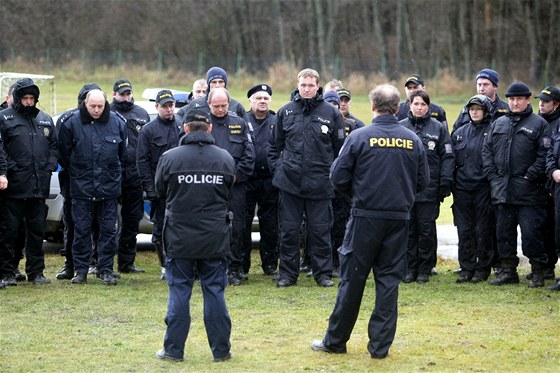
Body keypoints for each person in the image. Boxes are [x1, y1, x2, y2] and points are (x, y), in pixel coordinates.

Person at [311, 84, 429, 359]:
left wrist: (360, 195)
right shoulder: (413, 140)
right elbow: (423, 181)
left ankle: (336, 340)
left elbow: (337, 177)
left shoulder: (360, 137)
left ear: (373, 107)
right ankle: (379, 347)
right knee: (388, 282)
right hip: (398, 219)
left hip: (365, 217)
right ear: (399, 106)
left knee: (352, 280)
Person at [154, 111, 235, 363]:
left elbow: (160, 190)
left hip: (180, 236)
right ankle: (221, 351)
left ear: (185, 129)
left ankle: (173, 350)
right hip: (215, 236)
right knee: (214, 292)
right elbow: (228, 189)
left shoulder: (169, 158)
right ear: (209, 129)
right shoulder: (225, 158)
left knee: (179, 291)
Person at [268, 68, 345, 288]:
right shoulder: (286, 112)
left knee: (320, 231)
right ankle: (287, 275)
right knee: (289, 231)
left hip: (320, 184)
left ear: (318, 86)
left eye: (311, 85)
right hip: (290, 183)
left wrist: (331, 175)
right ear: (297, 86)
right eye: (303, 85)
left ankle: (323, 274)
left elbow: (341, 150)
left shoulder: (331, 113)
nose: (307, 89)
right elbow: (274, 147)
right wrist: (279, 169)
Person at [482, 82, 551, 288]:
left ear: (527, 100)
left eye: (519, 99)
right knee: (504, 234)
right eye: (511, 99)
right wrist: (492, 175)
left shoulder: (539, 124)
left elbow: (544, 154)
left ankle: (538, 271)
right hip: (502, 190)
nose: (514, 103)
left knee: (532, 234)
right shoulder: (499, 123)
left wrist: (531, 174)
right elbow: (487, 151)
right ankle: (508, 271)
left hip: (529, 192)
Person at [57, 89, 127, 285]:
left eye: (100, 106)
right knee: (81, 230)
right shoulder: (71, 122)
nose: (96, 110)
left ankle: (105, 269)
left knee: (107, 231)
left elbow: (122, 154)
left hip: (108, 188)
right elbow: (64, 154)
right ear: (85, 104)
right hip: (81, 187)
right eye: (92, 106)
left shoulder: (117, 123)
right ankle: (80, 270)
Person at [0, 78, 57, 286]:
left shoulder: (45, 119)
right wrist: (9, 170)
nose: (29, 102)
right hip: (13, 188)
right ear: (17, 98)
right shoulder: (4, 118)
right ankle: (6, 271)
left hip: (39, 187)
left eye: (32, 98)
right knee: (9, 231)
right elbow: (1, 149)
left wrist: (50, 164)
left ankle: (36, 272)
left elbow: (54, 146)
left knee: (36, 232)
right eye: (25, 98)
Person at [400, 90, 454, 283]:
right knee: (408, 231)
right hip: (405, 190)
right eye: (416, 104)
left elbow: (448, 156)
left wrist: (445, 182)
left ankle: (425, 268)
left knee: (426, 230)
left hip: (429, 190)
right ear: (409, 105)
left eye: (423, 105)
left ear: (428, 107)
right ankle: (408, 268)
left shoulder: (438, 128)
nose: (419, 108)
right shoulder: (401, 128)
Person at [207, 87, 255, 285]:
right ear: (209, 105)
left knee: (236, 227)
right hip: (209, 187)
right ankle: (211, 267)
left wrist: (236, 176)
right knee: (210, 226)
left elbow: (249, 155)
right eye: (216, 106)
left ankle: (235, 268)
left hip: (235, 186)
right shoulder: (202, 124)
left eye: (223, 106)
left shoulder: (240, 123)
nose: (220, 109)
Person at [55, 83, 102, 280]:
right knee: (73, 225)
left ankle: (99, 263)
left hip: (99, 182)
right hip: (72, 183)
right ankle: (70, 264)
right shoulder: (68, 120)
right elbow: (61, 152)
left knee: (101, 225)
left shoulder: (105, 120)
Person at [137, 89, 183, 280]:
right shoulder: (148, 130)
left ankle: (179, 263)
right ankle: (164, 265)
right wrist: (150, 188)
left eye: (171, 105)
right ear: (157, 107)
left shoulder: (181, 126)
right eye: (164, 106)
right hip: (160, 190)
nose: (169, 109)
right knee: (160, 229)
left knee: (180, 228)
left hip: (181, 189)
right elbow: (142, 161)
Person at [451, 95, 495, 283]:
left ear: (485, 111)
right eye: (471, 109)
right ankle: (467, 267)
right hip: (461, 189)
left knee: (483, 229)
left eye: (478, 108)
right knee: (464, 229)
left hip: (483, 188)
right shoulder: (459, 132)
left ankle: (482, 268)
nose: (474, 111)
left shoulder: (493, 131)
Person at [110, 79, 151, 273]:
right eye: (122, 94)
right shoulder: (106, 112)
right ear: (114, 95)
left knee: (132, 221)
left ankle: (126, 263)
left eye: (128, 94)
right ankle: (101, 262)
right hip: (112, 176)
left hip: (134, 177)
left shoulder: (141, 114)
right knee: (107, 222)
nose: (126, 98)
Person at [243, 84, 279, 276]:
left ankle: (270, 264)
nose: (262, 101)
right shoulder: (241, 121)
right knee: (243, 224)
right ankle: (242, 264)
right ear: (251, 101)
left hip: (270, 181)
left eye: (266, 98)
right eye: (258, 98)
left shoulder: (277, 120)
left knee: (270, 224)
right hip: (247, 180)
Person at [177, 67, 246, 123]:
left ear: (225, 84)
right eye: (214, 82)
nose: (217, 85)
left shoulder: (236, 106)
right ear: (208, 85)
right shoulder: (196, 105)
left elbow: (247, 133)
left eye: (221, 82)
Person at [541, 86, 560, 290]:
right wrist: (552, 170)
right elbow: (550, 154)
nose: (541, 105)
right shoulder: (545, 124)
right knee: (552, 229)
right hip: (551, 184)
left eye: (546, 102)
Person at [452, 68, 509, 133]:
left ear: (495, 86)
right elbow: (455, 134)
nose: (481, 89)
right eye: (479, 85)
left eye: (485, 85)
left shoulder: (506, 109)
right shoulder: (466, 109)